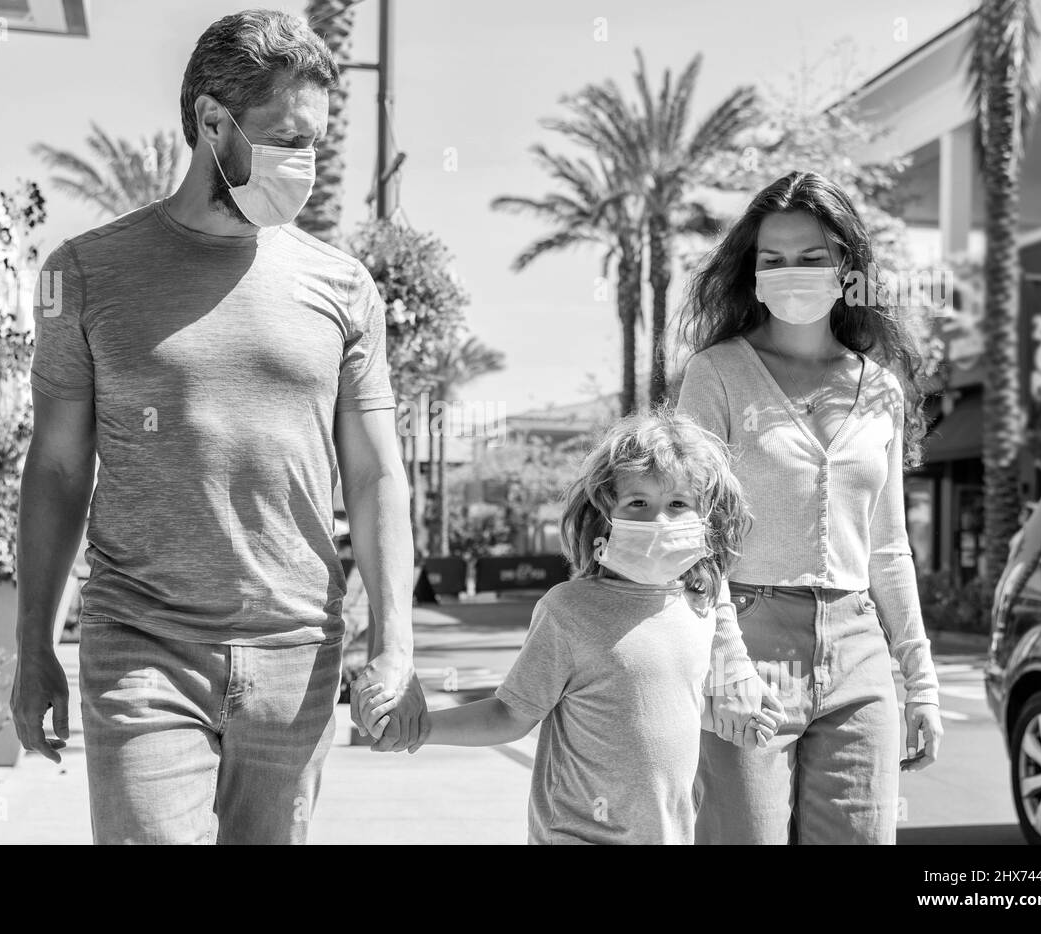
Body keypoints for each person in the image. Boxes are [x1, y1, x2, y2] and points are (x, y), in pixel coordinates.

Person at [10, 10, 426, 845]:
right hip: (141, 639)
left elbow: (377, 474)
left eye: (315, 141)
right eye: (284, 137)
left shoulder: (342, 289)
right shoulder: (86, 273)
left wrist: (396, 643)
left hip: (296, 649)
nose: (302, 163)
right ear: (210, 121)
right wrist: (33, 646)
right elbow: (56, 469)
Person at [361, 410, 784, 844]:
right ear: (604, 514)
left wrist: (734, 718)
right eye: (638, 502)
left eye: (678, 503)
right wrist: (423, 728)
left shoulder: (698, 607)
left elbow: (664, 705)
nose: (659, 520)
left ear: (705, 517)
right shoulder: (569, 611)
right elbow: (510, 714)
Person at [676, 170, 943, 845]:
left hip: (859, 650)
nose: (790, 272)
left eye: (812, 257)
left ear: (847, 268)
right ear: (752, 271)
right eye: (773, 260)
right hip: (748, 639)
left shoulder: (882, 389)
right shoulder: (716, 374)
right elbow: (693, 532)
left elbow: (887, 547)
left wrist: (921, 680)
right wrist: (726, 660)